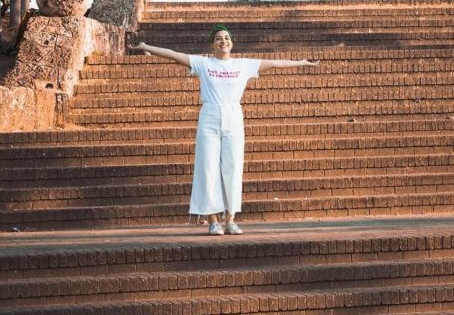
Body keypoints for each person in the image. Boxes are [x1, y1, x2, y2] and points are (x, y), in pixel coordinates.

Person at [132, 24, 319, 235]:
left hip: (233, 117)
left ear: (232, 43)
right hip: (209, 117)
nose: (224, 41)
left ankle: (230, 219)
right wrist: (146, 45)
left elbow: (275, 63)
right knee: (208, 168)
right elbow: (174, 55)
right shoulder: (203, 63)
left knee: (233, 167)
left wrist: (302, 62)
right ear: (212, 44)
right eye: (219, 38)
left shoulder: (243, 65)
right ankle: (213, 221)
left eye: (227, 38)